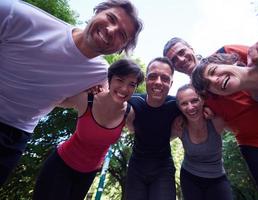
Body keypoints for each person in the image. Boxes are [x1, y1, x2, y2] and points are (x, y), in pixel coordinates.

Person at [0, 0, 143, 186]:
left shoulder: (101, 76)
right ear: (97, 11)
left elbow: (76, 102)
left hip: (14, 135)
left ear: (122, 48)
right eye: (110, 18)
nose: (111, 29)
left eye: (122, 34)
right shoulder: (18, 15)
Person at [191, 53, 258, 200]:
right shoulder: (202, 98)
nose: (214, 80)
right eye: (208, 86)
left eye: (213, 71)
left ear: (231, 61)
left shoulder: (254, 55)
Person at [33, 59, 144, 200]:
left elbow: (141, 130)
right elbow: (55, 98)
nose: (124, 88)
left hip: (87, 175)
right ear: (109, 79)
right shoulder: (88, 99)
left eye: (132, 84)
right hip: (60, 166)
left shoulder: (129, 113)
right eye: (120, 80)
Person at [125, 57, 181, 200]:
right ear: (145, 80)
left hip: (163, 166)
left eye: (165, 78)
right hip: (136, 165)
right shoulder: (133, 101)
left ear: (171, 83)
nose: (158, 82)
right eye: (153, 76)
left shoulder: (177, 105)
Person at [172, 84, 233, 200]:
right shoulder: (179, 126)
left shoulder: (216, 122)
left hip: (217, 177)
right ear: (179, 108)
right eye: (184, 103)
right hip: (189, 176)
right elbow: (158, 139)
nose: (190, 107)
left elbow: (243, 129)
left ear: (202, 101)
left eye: (194, 101)